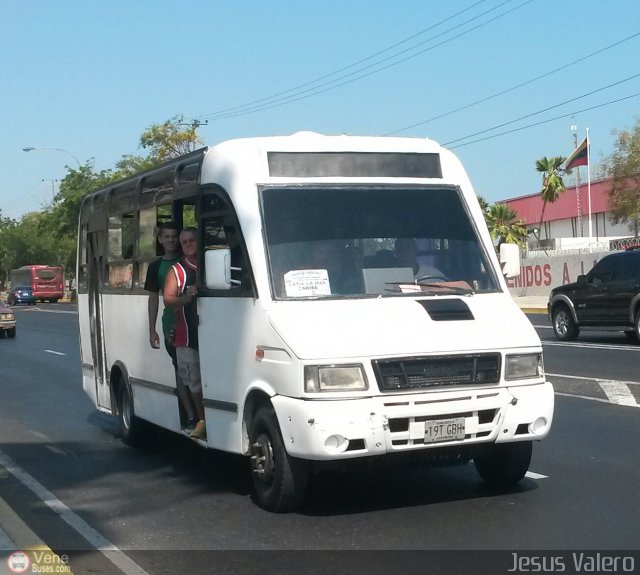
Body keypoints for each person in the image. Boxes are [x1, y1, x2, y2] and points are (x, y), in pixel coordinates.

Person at [144, 222, 197, 432]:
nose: (172, 240)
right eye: (167, 237)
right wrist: (152, 329)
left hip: (193, 322)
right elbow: (154, 300)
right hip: (171, 326)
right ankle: (191, 416)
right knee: (181, 371)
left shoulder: (187, 260)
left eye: (175, 237)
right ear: (160, 239)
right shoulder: (156, 267)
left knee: (194, 372)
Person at [163, 228, 206, 440]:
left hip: (212, 332)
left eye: (192, 240)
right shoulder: (177, 270)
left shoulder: (210, 264)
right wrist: (188, 298)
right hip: (186, 335)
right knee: (194, 381)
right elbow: (168, 299)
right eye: (185, 242)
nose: (188, 244)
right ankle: (201, 420)